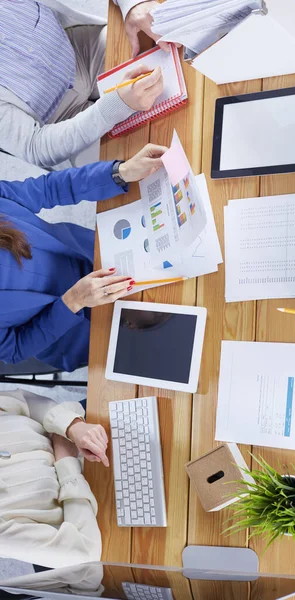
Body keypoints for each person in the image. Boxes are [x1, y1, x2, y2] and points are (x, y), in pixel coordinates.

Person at [0, 143, 168, 371]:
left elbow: (49, 189)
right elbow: (15, 349)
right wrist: (73, 301)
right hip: (81, 329)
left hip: (103, 255)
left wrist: (121, 172)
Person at [0, 0, 167, 169]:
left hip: (82, 52)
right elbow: (35, 146)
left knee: (167, 46)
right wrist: (113, 106)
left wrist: (131, 5)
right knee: (153, 160)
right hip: (60, 123)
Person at [0, 388, 110, 568]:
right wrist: (66, 460)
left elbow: (26, 402)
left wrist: (71, 426)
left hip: (84, 427)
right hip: (101, 505)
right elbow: (83, 555)